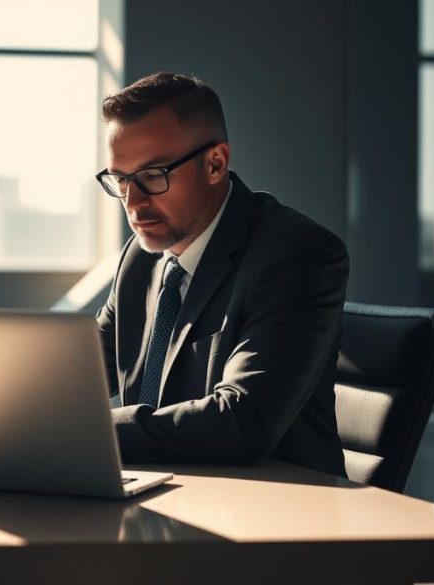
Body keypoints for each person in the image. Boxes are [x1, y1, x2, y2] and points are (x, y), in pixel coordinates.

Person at [96, 72, 348, 477]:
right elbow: (78, 377)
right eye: (121, 180)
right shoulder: (141, 259)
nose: (133, 203)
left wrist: (94, 432)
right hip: (168, 489)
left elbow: (241, 421)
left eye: (152, 176)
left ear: (215, 163)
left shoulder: (298, 255)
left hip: (276, 510)